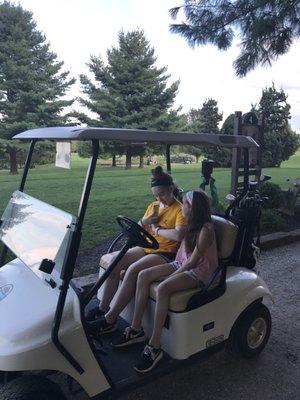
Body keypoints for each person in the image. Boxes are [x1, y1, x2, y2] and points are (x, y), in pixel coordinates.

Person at [111, 189, 218, 373]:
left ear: (193, 208)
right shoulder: (192, 223)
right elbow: (183, 258)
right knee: (143, 275)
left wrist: (170, 278)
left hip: (198, 272)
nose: (181, 205)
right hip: (181, 263)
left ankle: (154, 346)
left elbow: (193, 262)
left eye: (184, 203)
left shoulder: (206, 230)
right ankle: (136, 329)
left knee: (163, 288)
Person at [87, 166, 186, 333]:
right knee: (114, 262)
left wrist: (157, 230)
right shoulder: (153, 206)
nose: (159, 198)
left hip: (165, 253)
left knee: (132, 270)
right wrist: (145, 221)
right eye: (155, 195)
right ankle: (103, 309)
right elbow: (139, 229)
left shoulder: (179, 209)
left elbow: (178, 235)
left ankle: (110, 320)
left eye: (162, 194)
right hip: (147, 247)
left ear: (171, 189)